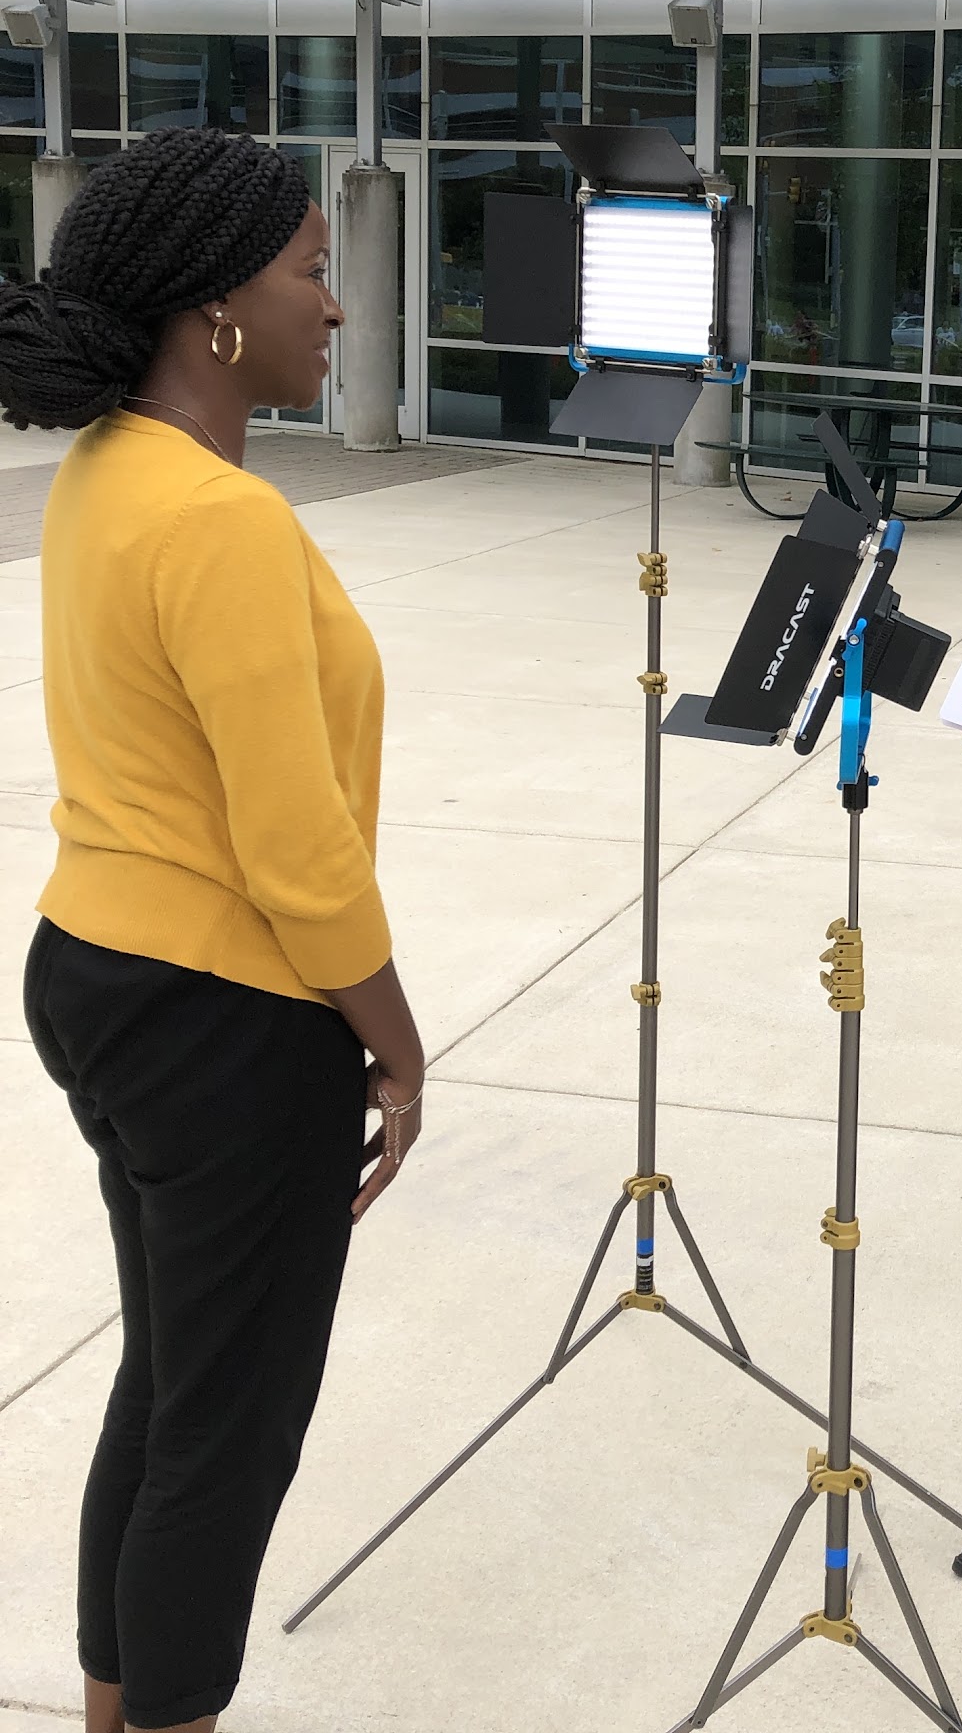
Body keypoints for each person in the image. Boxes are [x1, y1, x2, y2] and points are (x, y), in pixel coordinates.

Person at [0, 128, 427, 1733]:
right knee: (227, 1430)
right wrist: (396, 1046)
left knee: (172, 1385)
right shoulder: (221, 518)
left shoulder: (109, 472)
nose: (338, 303)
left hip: (99, 974)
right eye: (313, 270)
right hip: (225, 1014)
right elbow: (296, 852)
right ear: (215, 310)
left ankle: (114, 1712)